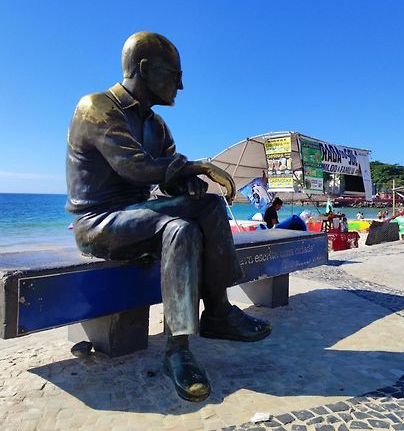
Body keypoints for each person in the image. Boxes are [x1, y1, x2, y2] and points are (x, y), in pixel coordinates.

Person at [66, 31, 271, 402]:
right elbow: (135, 167)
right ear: (145, 69)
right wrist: (198, 169)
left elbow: (165, 178)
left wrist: (186, 185)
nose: (181, 84)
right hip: (99, 223)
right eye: (174, 74)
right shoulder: (97, 107)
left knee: (191, 221)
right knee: (193, 217)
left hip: (140, 218)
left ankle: (195, 335)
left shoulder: (157, 126)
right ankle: (203, 328)